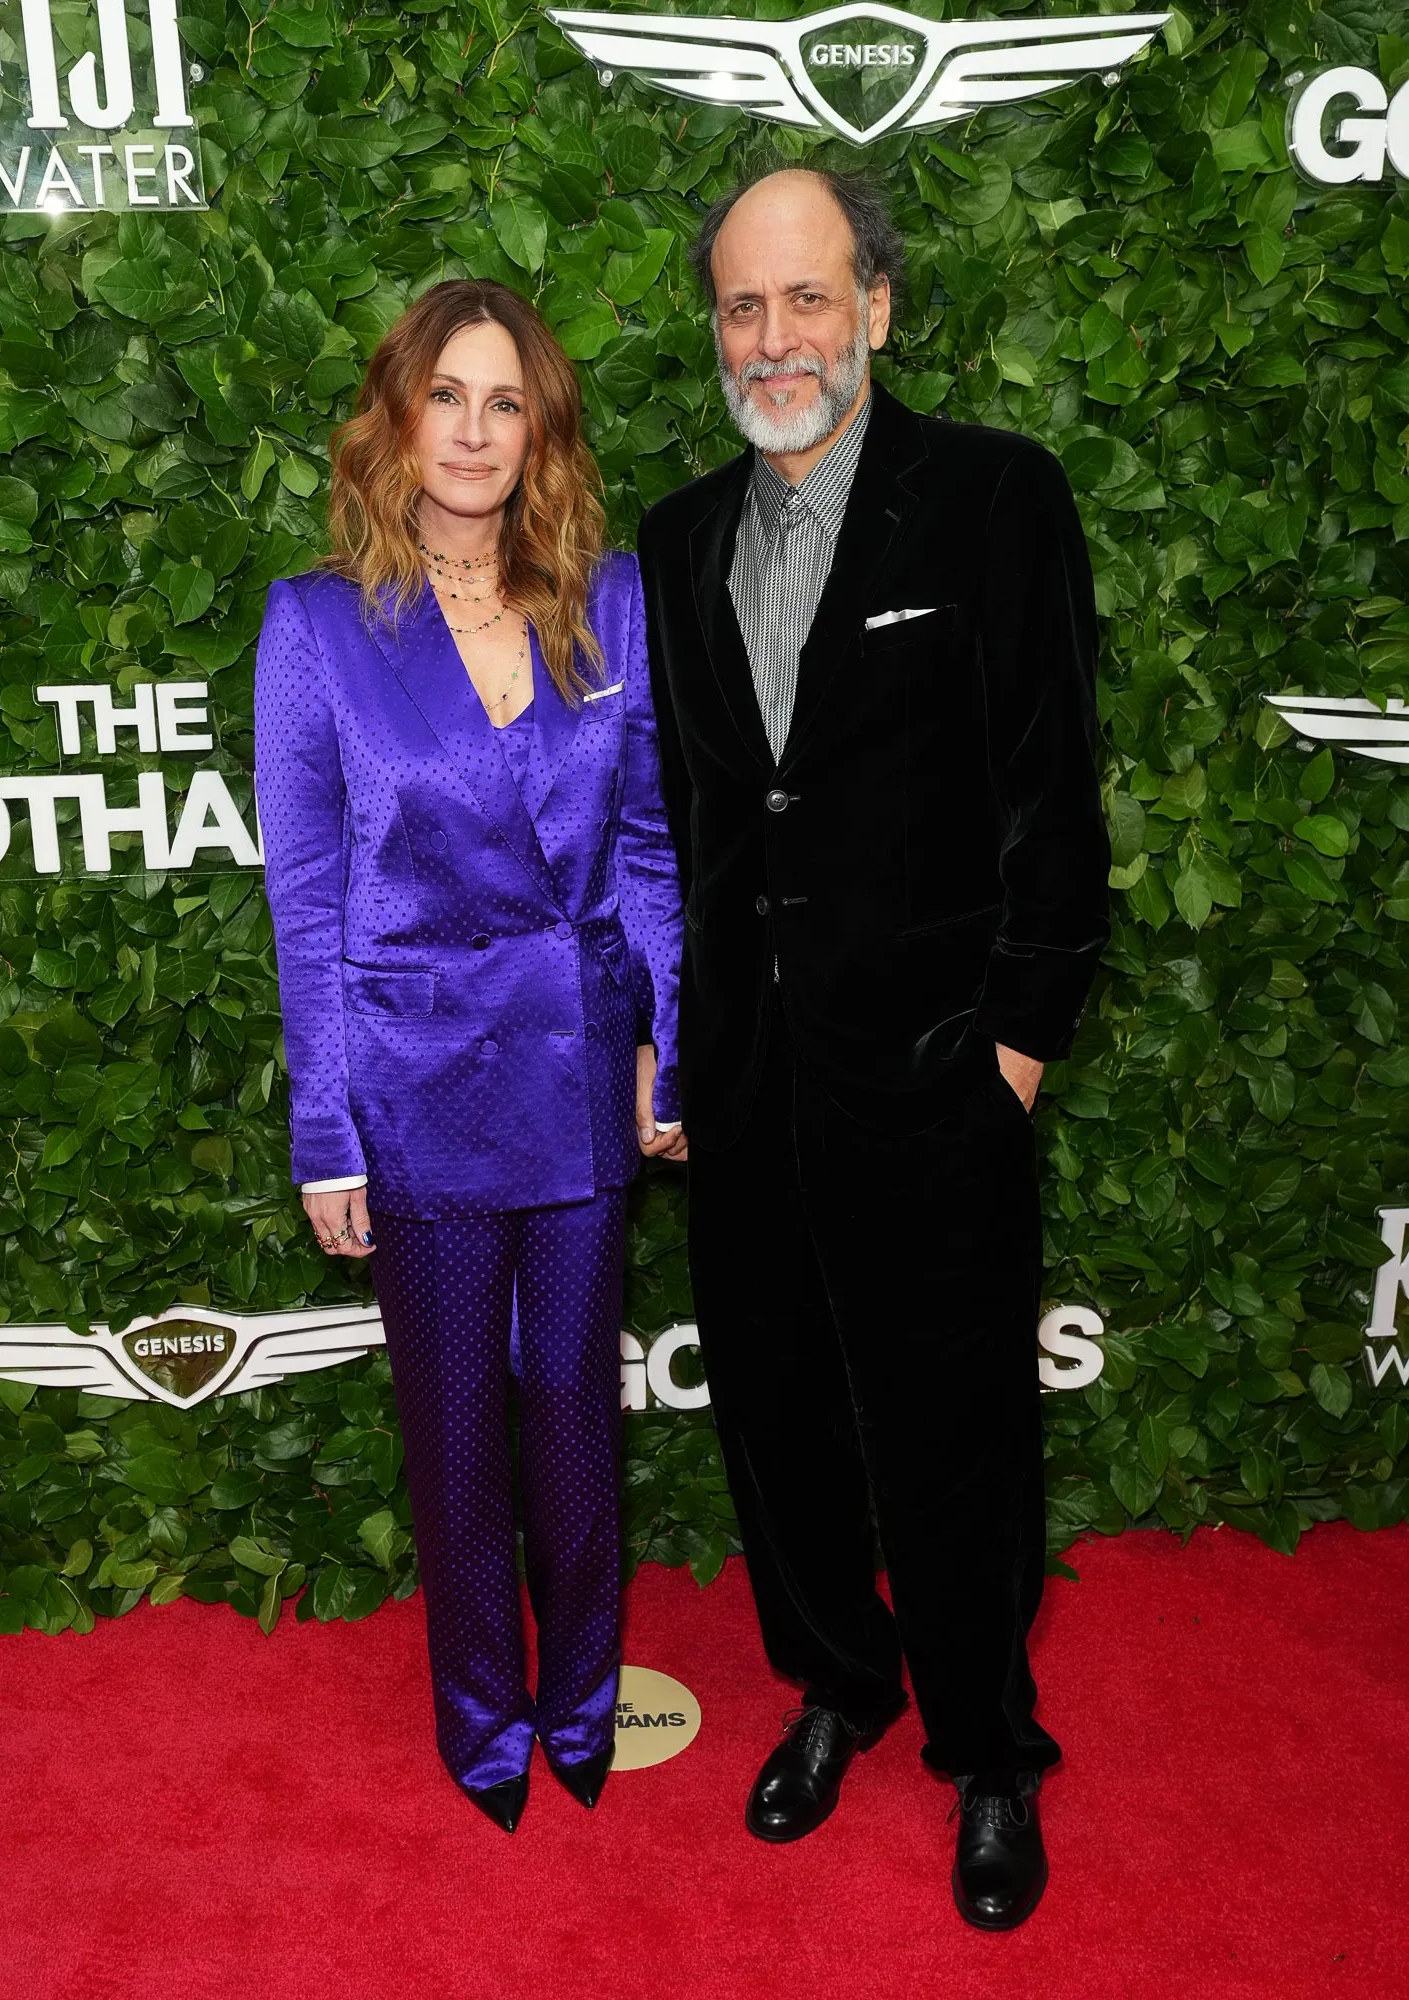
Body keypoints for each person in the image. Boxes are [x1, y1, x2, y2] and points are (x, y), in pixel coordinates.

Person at [637, 169, 1109, 1929]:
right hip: (747, 1086)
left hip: (936, 1079)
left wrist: (1017, 1051)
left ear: (879, 310)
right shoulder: (677, 547)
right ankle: (841, 1683)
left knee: (959, 1431)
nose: (776, 340)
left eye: (808, 300)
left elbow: (1053, 807)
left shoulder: (991, 499)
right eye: (745, 309)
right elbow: (692, 824)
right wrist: (672, 1048)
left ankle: (990, 1748)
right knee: (778, 1419)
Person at [254, 279, 686, 1835]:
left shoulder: (610, 600)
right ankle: (481, 1723)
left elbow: (647, 844)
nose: (477, 432)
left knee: (572, 1404)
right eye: (450, 396)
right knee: (452, 1426)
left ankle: (582, 1705)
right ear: (398, 416)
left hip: (577, 1069)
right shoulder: (316, 628)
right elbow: (306, 893)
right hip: (414, 1077)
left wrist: (671, 1048)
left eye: (508, 403)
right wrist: (327, 1129)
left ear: (540, 433)